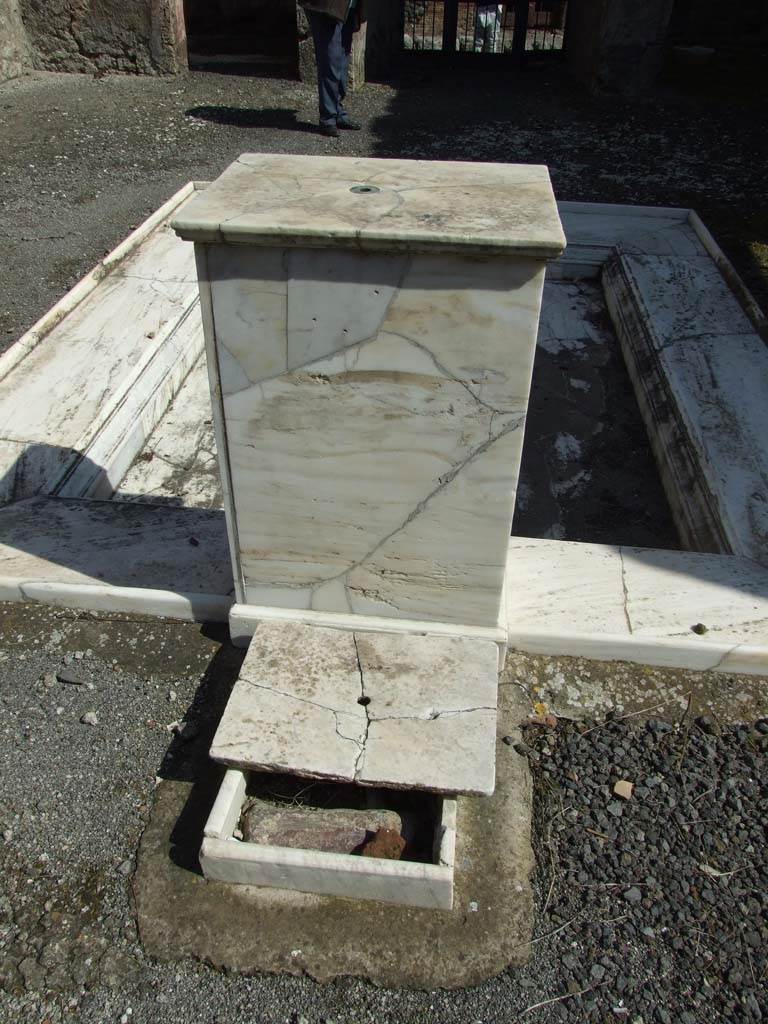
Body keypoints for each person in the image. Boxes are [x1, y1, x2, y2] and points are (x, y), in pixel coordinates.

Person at [299, 0, 365, 137]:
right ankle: (328, 118)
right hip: (327, 6)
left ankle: (337, 111)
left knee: (342, 57)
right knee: (330, 59)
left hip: (347, 6)